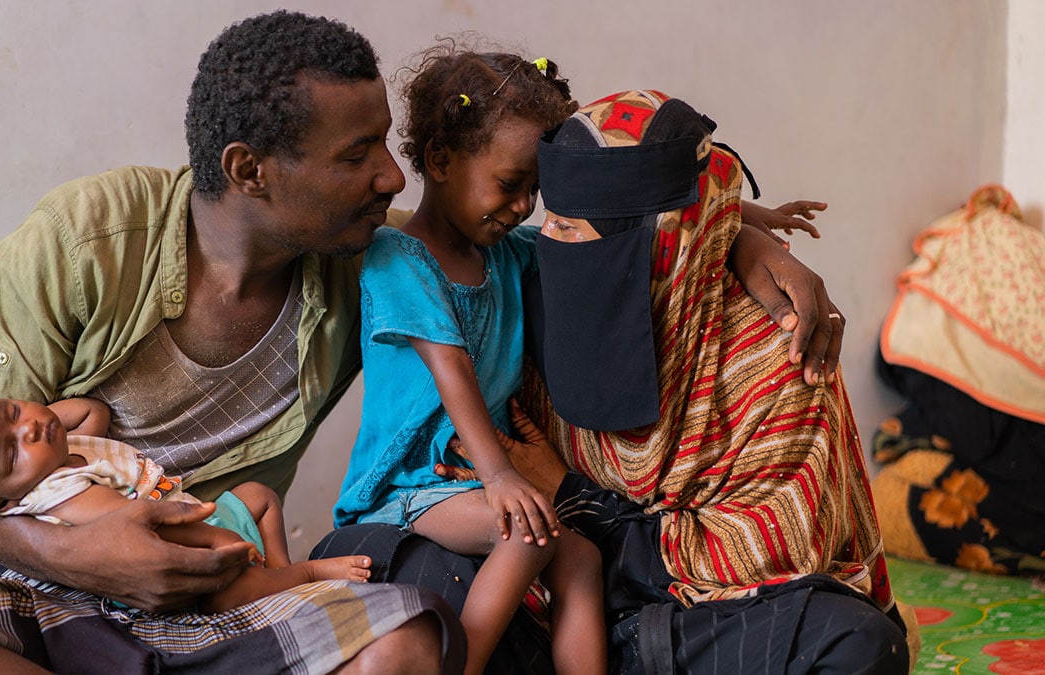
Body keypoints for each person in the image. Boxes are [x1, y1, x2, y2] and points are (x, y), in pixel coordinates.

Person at [0, 11, 463, 674]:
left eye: (384, 145)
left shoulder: (374, 267)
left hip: (196, 610)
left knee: (408, 633)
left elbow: (504, 245)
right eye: (356, 155)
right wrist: (78, 557)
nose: (391, 177)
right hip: (13, 590)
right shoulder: (80, 240)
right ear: (248, 169)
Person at [317, 87, 912, 674]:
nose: (540, 229)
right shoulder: (527, 279)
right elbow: (435, 301)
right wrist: (509, 478)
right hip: (524, 581)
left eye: (566, 223)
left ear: (662, 240)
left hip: (692, 617)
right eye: (549, 215)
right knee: (426, 599)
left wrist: (571, 494)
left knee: (858, 644)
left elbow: (779, 545)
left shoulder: (773, 344)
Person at [332, 48, 604, 674]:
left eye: (535, 189)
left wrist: (730, 217)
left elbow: (601, 234)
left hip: (479, 478)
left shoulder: (510, 254)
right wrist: (504, 476)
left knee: (583, 559)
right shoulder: (397, 257)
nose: (523, 206)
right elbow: (450, 367)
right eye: (512, 184)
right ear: (440, 161)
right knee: (526, 535)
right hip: (408, 486)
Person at [0, 395, 373, 612]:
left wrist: (44, 422)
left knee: (259, 496)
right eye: (12, 453)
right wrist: (216, 538)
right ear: (1, 502)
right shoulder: (60, 492)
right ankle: (305, 577)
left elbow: (94, 412)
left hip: (193, 513)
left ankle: (279, 571)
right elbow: (140, 524)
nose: (27, 429)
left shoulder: (66, 448)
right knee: (234, 591)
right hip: (173, 545)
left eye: (12, 412)